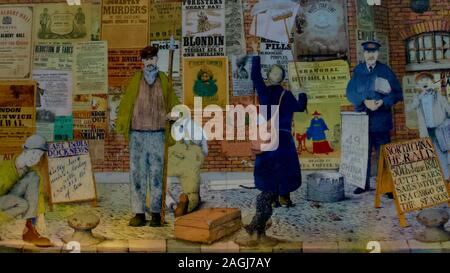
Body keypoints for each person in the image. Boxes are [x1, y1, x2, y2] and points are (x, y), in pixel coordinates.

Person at [235, 42, 308, 247]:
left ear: (271, 78)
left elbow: (254, 76)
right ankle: (259, 222)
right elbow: (301, 106)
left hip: (268, 141)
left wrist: (257, 55)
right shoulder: (288, 94)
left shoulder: (264, 92)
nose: (273, 75)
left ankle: (258, 223)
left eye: (274, 72)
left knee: (268, 184)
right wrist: (301, 91)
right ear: (282, 79)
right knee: (278, 182)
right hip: (283, 142)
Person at [116, 45, 180, 227]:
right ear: (142, 62)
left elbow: (176, 106)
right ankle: (138, 213)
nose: (150, 62)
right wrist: (122, 127)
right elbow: (126, 104)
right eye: (146, 59)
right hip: (137, 135)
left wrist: (173, 114)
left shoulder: (165, 80)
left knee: (157, 175)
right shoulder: (136, 80)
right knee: (137, 174)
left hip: (158, 135)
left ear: (156, 60)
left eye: (153, 59)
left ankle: (156, 213)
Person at [346, 41, 403, 195]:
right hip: (362, 121)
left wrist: (382, 102)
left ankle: (387, 186)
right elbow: (350, 93)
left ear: (378, 54)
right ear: (363, 54)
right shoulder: (358, 71)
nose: (371, 55)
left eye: (374, 52)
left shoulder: (385, 71)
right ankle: (362, 184)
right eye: (368, 52)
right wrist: (364, 101)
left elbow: (398, 93)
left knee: (383, 154)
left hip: (381, 121)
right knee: (362, 152)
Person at [0, 135, 52, 247]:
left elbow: (38, 195)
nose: (35, 158)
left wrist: (39, 219)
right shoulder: (5, 168)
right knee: (23, 204)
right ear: (25, 150)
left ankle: (29, 229)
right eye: (33, 152)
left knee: (33, 179)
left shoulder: (33, 171)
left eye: (39, 155)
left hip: (14, 201)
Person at [407, 72, 450, 180]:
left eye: (427, 80)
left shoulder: (438, 95)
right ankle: (433, 177)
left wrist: (446, 122)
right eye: (421, 81)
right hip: (426, 130)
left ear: (432, 82)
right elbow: (409, 108)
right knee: (428, 153)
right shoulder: (418, 98)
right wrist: (418, 97)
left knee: (442, 153)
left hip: (439, 129)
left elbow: (448, 110)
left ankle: (446, 177)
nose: (424, 82)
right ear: (418, 85)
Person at [168, 117, 208, 217]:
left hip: (182, 158)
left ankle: (186, 202)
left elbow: (202, 151)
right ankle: (187, 201)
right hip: (177, 158)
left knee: (190, 174)